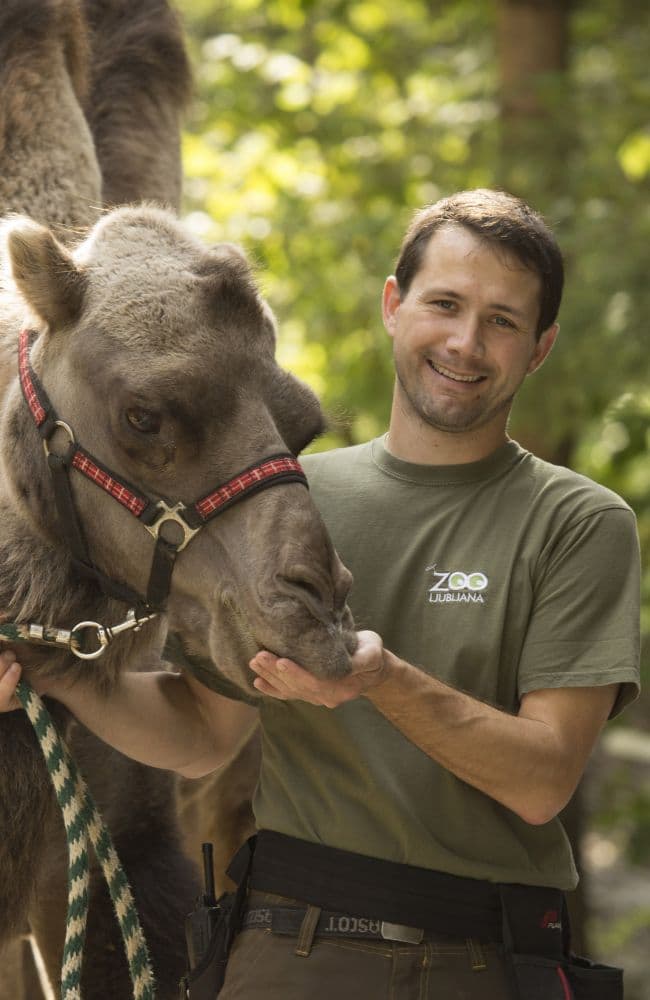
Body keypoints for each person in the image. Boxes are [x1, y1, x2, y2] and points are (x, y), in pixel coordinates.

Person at [0, 189, 640, 999]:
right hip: (285, 951)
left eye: (503, 321)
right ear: (394, 306)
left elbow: (543, 779)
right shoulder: (285, 501)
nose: (466, 342)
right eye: (445, 304)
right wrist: (44, 668)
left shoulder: (578, 524)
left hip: (483, 958)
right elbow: (201, 734)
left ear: (540, 346)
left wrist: (381, 680)